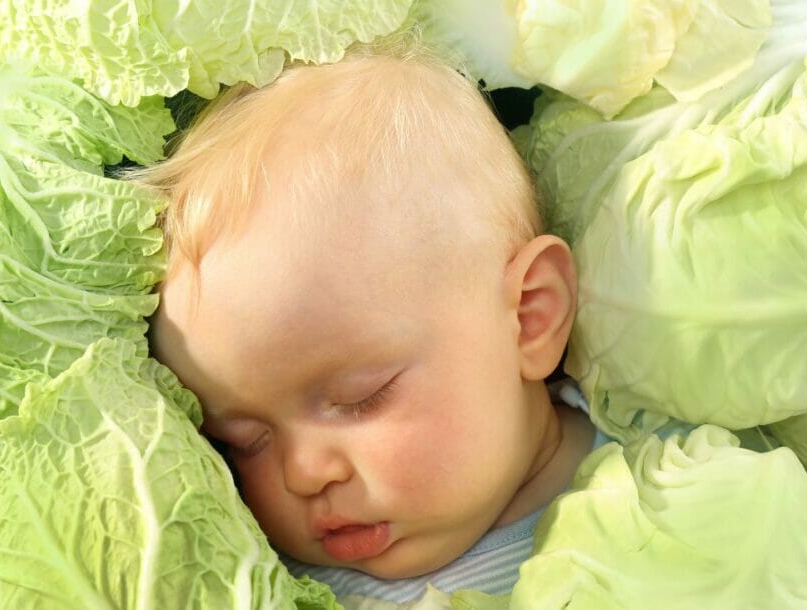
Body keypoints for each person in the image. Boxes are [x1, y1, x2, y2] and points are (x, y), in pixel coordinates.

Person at [134, 32, 603, 603]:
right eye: (243, 442)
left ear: (531, 316)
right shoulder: (276, 582)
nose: (303, 475)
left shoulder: (670, 476)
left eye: (361, 397)